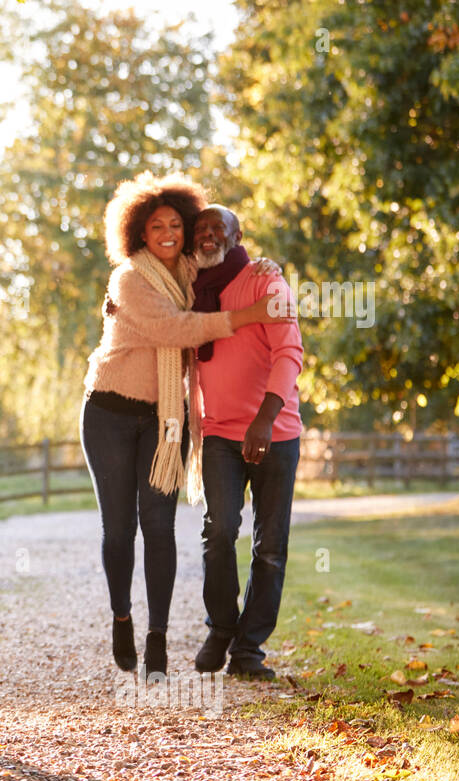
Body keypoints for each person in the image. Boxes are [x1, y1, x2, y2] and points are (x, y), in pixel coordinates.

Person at [80, 172, 288, 680]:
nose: (169, 232)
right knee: (119, 529)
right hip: (108, 411)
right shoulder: (128, 277)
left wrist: (264, 263)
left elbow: (227, 259)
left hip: (163, 419)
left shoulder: (195, 274)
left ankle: (158, 639)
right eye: (157, 226)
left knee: (159, 527)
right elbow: (177, 327)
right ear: (139, 233)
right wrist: (247, 315)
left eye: (177, 223)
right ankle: (123, 618)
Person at [190, 205, 303, 679]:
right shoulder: (189, 291)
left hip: (274, 432)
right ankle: (221, 627)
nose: (209, 235)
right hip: (218, 432)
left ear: (237, 236)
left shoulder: (266, 283)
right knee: (218, 532)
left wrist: (263, 419)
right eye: (202, 229)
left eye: (219, 228)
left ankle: (248, 649)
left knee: (270, 546)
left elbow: (289, 352)